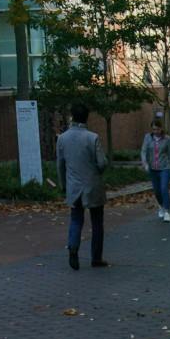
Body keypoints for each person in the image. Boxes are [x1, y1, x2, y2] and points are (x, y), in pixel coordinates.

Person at [57, 102, 110, 269]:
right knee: (97, 222)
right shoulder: (92, 137)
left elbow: (60, 165)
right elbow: (102, 163)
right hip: (92, 185)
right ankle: (96, 257)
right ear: (86, 117)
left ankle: (73, 248)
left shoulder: (62, 138)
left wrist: (63, 185)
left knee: (76, 219)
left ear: (72, 116)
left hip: (74, 186)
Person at [140, 115, 170, 222]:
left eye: (157, 129)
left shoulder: (167, 139)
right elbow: (143, 151)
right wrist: (145, 163)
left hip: (165, 167)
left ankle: (167, 212)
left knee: (164, 188)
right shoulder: (147, 137)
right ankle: (161, 206)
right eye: (154, 129)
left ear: (161, 128)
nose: (155, 131)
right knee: (157, 191)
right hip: (153, 169)